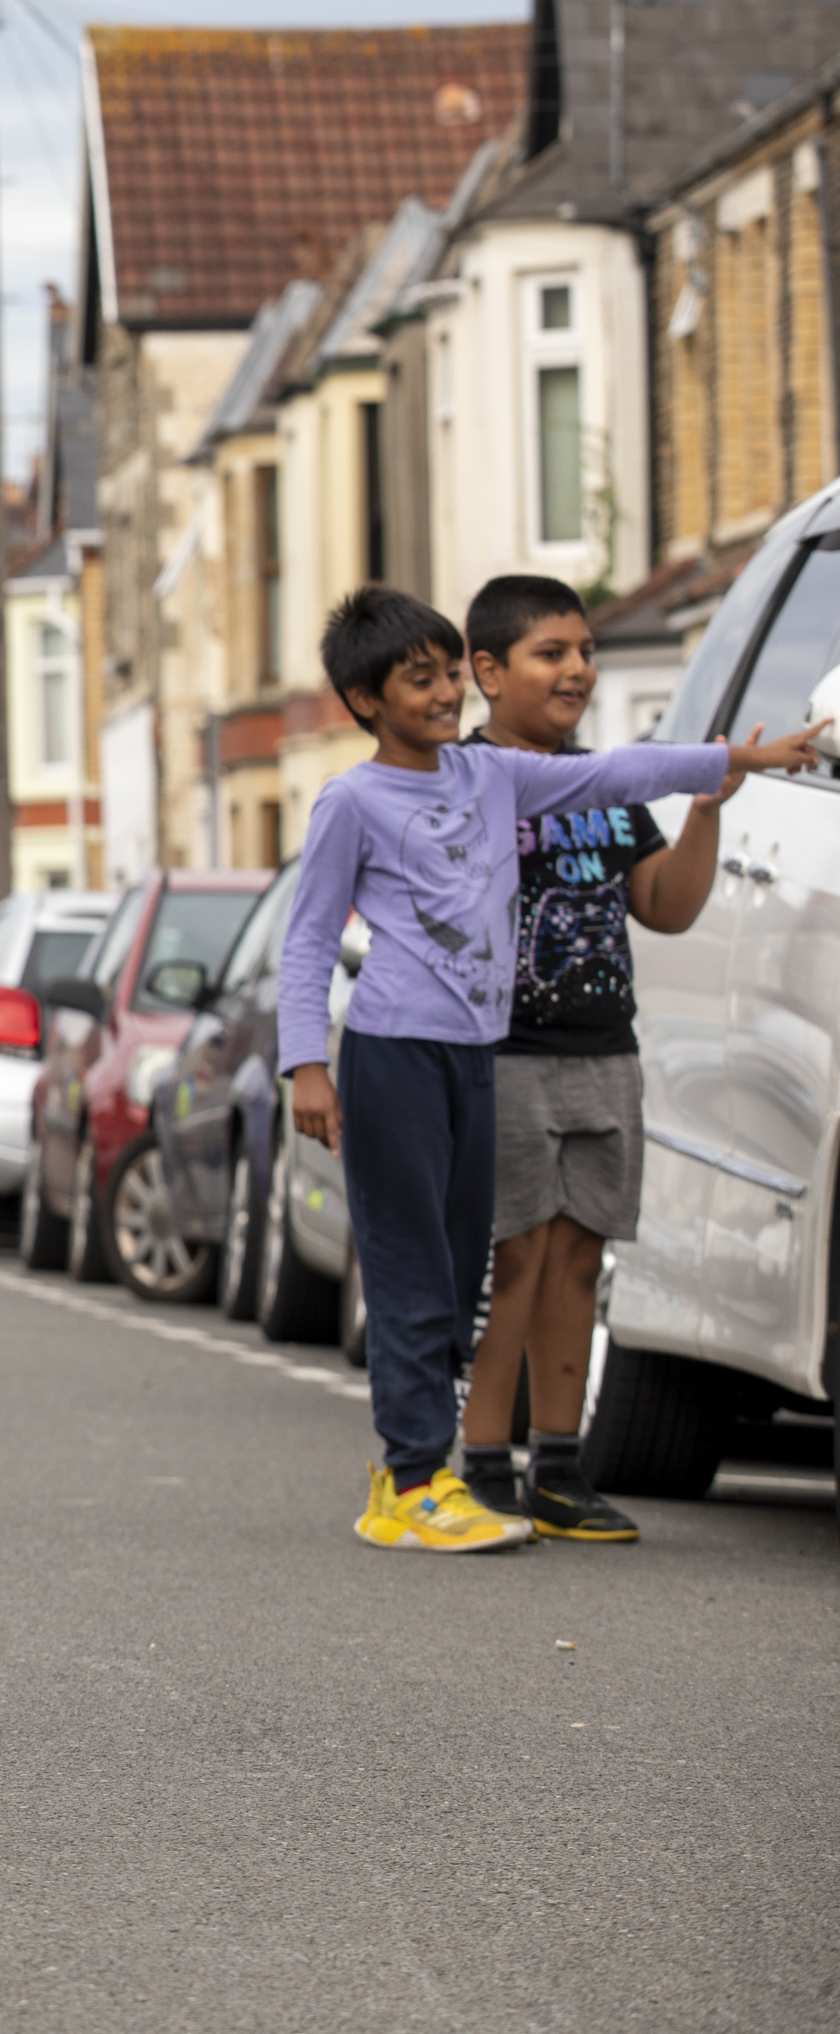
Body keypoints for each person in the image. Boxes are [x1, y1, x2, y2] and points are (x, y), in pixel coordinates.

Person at [275, 585, 822, 1552]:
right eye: (423, 679)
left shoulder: (494, 782)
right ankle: (417, 1479)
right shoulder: (352, 800)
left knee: (454, 1271)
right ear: (366, 700)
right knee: (415, 1271)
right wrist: (305, 1067)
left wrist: (736, 762)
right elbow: (310, 938)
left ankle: (427, 1474)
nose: (447, 693)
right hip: (396, 1050)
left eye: (448, 673)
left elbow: (620, 771)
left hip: (477, 1058)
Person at [453, 574, 746, 1541]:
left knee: (579, 1257)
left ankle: (560, 1465)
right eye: (552, 653)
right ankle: (484, 1462)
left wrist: (705, 807)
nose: (577, 668)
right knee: (517, 1253)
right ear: (489, 672)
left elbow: (663, 904)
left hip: (603, 1052)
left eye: (585, 651)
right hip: (505, 1054)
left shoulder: (607, 789)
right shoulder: (464, 780)